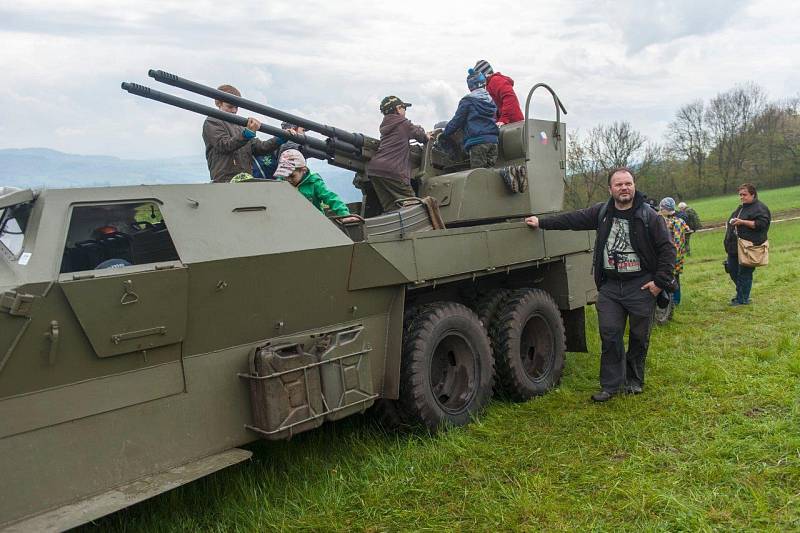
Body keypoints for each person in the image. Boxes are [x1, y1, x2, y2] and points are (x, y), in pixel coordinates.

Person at [524, 168, 675, 402]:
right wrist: (541, 222)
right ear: (610, 189)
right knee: (610, 335)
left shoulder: (649, 216)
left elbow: (667, 249)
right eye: (619, 185)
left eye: (628, 183)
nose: (624, 188)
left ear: (634, 186)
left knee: (638, 336)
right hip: (611, 287)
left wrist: (659, 282)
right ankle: (610, 386)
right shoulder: (602, 212)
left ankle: (634, 381)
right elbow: (571, 219)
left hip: (641, 285)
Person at [202, 84, 286, 183]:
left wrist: (280, 138)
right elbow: (224, 145)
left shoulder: (240, 125)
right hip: (225, 179)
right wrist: (246, 134)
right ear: (218, 103)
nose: (234, 111)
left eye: (236, 107)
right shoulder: (212, 121)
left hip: (246, 178)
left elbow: (260, 147)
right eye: (230, 106)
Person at [366, 96, 430, 214]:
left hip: (375, 171)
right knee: (414, 207)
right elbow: (420, 136)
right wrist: (427, 136)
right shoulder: (403, 123)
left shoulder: (386, 126)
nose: (405, 111)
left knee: (391, 209)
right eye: (404, 108)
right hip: (394, 171)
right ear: (398, 108)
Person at [440, 69, 501, 171]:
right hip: (493, 142)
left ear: (470, 86)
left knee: (478, 175)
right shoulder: (491, 100)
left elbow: (457, 120)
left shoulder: (467, 101)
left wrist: (445, 133)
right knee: (489, 175)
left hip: (478, 142)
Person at [723, 183, 771, 306]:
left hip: (749, 247)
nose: (742, 197)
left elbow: (762, 224)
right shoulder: (741, 208)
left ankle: (741, 299)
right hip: (734, 248)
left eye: (744, 194)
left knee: (745, 273)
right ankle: (742, 295)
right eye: (740, 195)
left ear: (753, 195)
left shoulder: (760, 208)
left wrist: (743, 222)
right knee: (732, 270)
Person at [273, 149, 355, 220]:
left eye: (292, 176)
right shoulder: (280, 184)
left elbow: (331, 198)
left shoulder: (314, 183)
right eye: (285, 175)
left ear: (303, 170)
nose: (288, 180)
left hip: (316, 223)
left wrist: (344, 215)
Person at [472, 60, 524, 126]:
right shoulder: (489, 85)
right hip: (507, 123)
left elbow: (509, 98)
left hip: (513, 123)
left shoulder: (495, 80)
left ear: (483, 75)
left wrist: (504, 119)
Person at [659, 197, 690, 305]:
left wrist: (671, 256)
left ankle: (674, 301)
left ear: (666, 209)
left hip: (673, 256)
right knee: (673, 278)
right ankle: (673, 301)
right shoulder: (675, 220)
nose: (661, 210)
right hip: (674, 254)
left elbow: (676, 241)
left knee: (672, 279)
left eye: (662, 208)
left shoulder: (673, 222)